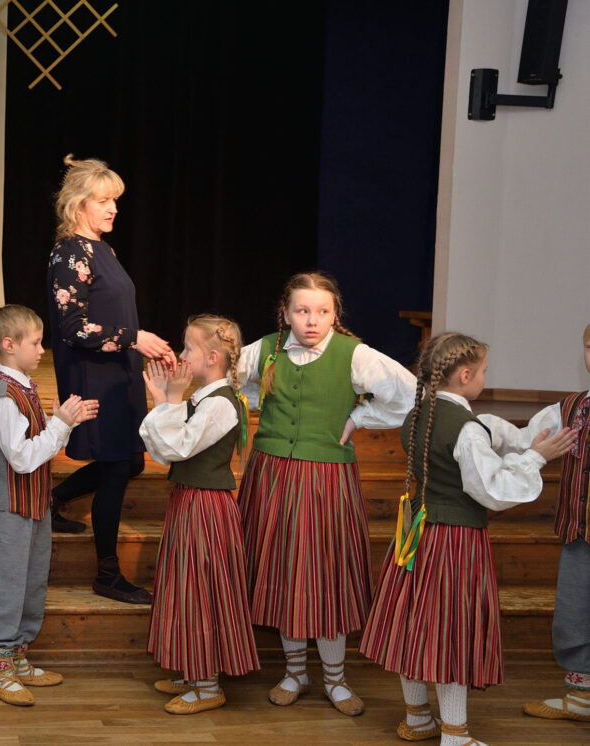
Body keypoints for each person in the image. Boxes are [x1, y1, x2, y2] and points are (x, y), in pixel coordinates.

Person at [359, 332, 574, 744]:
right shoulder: (465, 430)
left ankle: (418, 718)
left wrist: (527, 442)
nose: (485, 378)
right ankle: (455, 735)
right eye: (483, 372)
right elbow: (491, 488)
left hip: (417, 535)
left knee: (414, 628)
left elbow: (480, 440)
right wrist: (536, 457)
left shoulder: (419, 415)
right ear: (464, 375)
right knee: (449, 636)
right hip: (453, 543)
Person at [237, 271, 415, 715]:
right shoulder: (264, 350)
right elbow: (229, 383)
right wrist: (258, 402)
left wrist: (359, 418)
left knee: (324, 578)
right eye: (302, 311)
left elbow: (410, 395)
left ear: (335, 315)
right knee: (283, 574)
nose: (312, 320)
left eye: (322, 311)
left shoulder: (354, 356)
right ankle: (294, 672)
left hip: (325, 480)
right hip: (271, 476)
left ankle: (335, 678)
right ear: (286, 314)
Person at [46, 154, 173, 605]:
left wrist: (144, 346)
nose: (113, 208)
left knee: (131, 461)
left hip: (120, 371)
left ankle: (52, 500)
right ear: (78, 204)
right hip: (94, 375)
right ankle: (108, 574)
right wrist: (135, 338)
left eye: (115, 200)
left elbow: (112, 312)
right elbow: (72, 328)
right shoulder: (70, 253)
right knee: (119, 464)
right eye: (103, 201)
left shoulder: (103, 249)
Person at [140, 315, 259, 715]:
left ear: (212, 357)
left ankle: (208, 686)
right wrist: (165, 400)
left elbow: (179, 447)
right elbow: (164, 451)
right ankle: (195, 672)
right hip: (190, 500)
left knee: (201, 589)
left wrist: (171, 400)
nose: (181, 354)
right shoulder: (203, 398)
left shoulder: (222, 404)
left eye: (188, 348)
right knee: (186, 585)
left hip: (207, 507)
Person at [0, 304, 96, 706]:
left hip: (32, 504)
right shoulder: (5, 396)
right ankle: (0, 668)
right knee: (8, 588)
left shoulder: (25, 386)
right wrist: (60, 423)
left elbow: (39, 440)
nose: (42, 349)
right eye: (36, 342)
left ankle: (17, 657)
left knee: (31, 584)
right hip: (10, 508)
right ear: (9, 345)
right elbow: (22, 457)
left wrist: (66, 421)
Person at [521, 322, 590, 723]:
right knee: (575, 613)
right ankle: (581, 698)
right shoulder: (570, 409)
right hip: (579, 531)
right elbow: (525, 439)